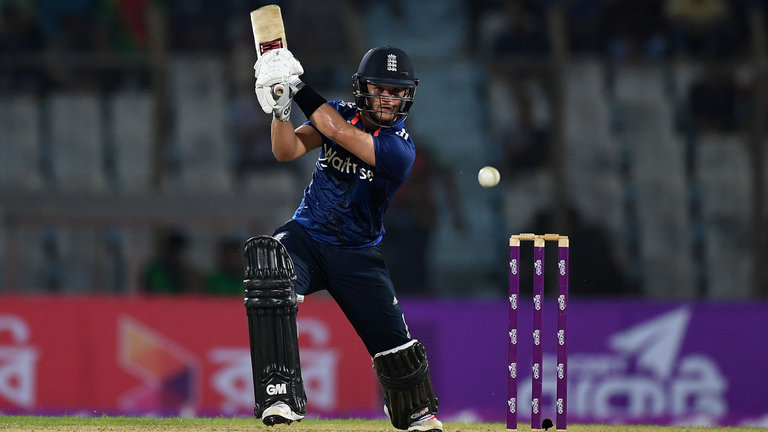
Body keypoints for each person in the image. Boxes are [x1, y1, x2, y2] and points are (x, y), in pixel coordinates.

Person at [242, 46, 442, 432]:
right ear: (362, 87)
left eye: (397, 92)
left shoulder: (400, 149)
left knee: (397, 352)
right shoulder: (338, 111)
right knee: (271, 266)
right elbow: (286, 150)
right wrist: (281, 108)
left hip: (357, 253)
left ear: (408, 96)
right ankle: (279, 393)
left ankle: (413, 412)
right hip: (308, 236)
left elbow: (337, 132)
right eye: (380, 89)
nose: (388, 99)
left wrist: (297, 84)